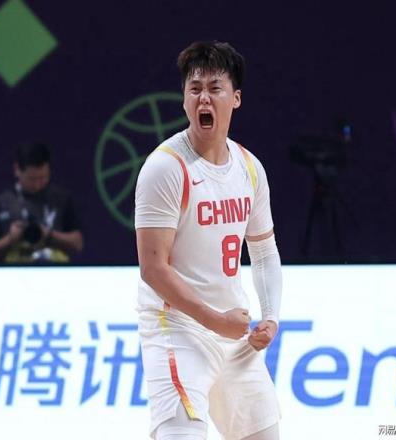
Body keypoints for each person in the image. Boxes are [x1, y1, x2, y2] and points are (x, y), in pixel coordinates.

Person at [135, 41, 283, 440]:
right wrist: (215, 320)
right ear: (184, 99)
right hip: (177, 328)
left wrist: (270, 315)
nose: (204, 97)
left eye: (214, 88)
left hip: (233, 333)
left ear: (235, 99)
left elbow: (264, 252)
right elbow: (153, 268)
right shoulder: (165, 168)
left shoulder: (249, 168)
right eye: (195, 88)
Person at [0, 142, 83, 263]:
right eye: (32, 179)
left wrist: (49, 235)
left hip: (54, 270)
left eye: (43, 177)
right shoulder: (0, 204)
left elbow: (77, 244)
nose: (37, 184)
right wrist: (10, 239)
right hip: (15, 271)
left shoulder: (62, 198)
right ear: (17, 169)